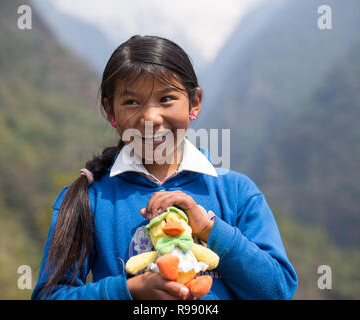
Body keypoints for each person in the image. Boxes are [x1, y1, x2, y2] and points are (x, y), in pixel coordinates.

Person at [31, 35, 297, 300]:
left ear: (195, 102)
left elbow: (277, 291)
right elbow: (50, 295)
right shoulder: (89, 200)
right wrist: (128, 291)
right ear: (110, 110)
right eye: (132, 102)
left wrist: (209, 229)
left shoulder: (237, 192)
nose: (151, 118)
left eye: (167, 98)